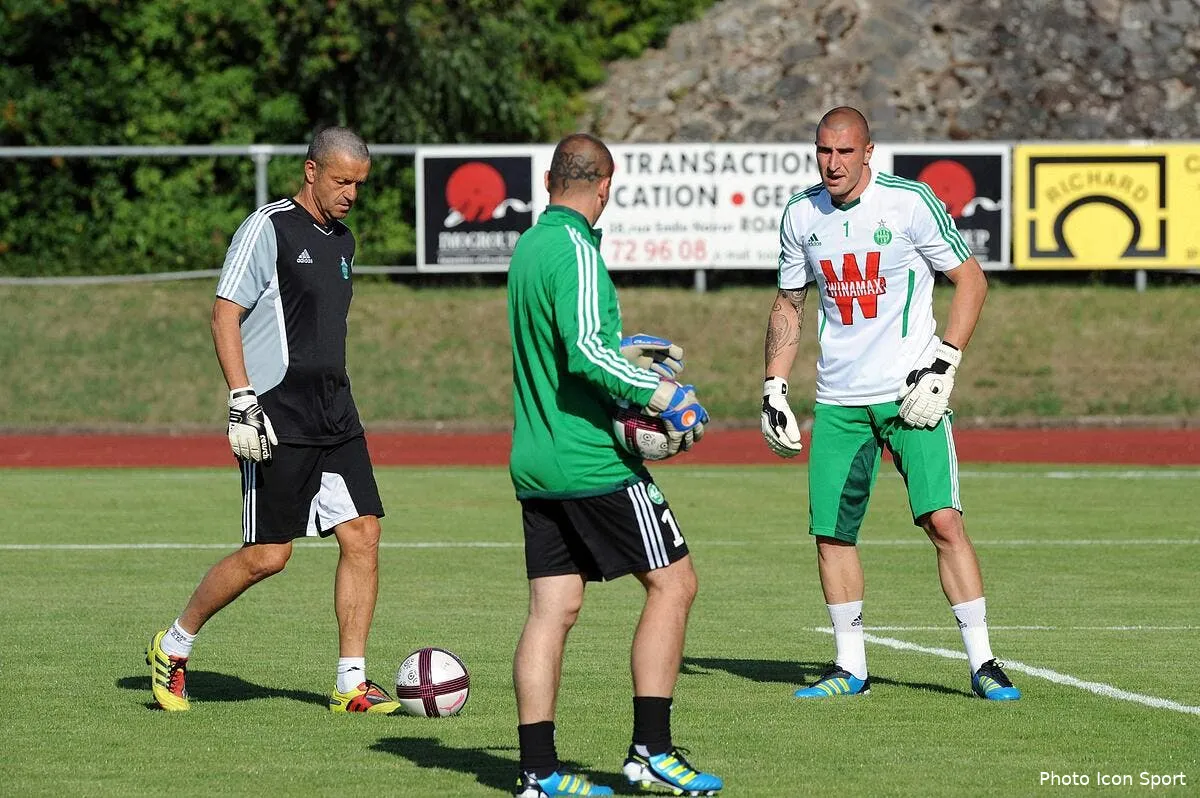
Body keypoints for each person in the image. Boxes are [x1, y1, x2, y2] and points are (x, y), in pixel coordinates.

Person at [760, 106, 1020, 702]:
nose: (833, 163)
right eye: (824, 151)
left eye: (845, 152)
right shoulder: (801, 214)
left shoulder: (909, 202)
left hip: (911, 393)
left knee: (943, 520)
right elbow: (788, 304)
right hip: (839, 400)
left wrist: (946, 362)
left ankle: (984, 662)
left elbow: (972, 280)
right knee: (831, 533)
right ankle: (851, 666)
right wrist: (774, 384)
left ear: (869, 152)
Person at [146, 126, 402, 714]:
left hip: (337, 411)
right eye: (342, 181)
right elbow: (223, 314)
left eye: (359, 184)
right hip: (278, 414)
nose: (350, 195)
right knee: (268, 555)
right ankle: (175, 644)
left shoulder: (344, 241)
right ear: (311, 171)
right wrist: (242, 398)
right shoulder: (269, 226)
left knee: (362, 534)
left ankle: (350, 683)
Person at [506, 133, 723, 797]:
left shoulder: (531, 246)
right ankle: (651, 752)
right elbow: (586, 355)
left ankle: (538, 772)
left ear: (549, 180)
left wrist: (617, 354)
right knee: (675, 584)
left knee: (554, 606)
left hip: (536, 459)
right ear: (606, 185)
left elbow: (572, 348)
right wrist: (666, 397)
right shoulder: (574, 249)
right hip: (589, 461)